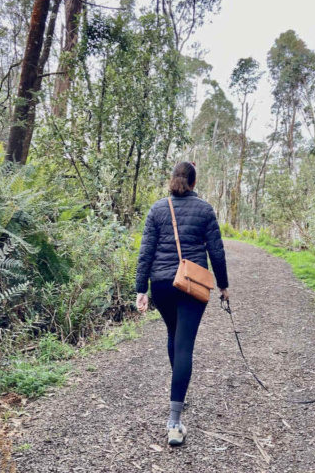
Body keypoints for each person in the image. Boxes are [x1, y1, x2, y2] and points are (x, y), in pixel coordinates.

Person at [135, 161, 229, 446]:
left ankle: (179, 392)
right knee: (184, 343)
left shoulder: (157, 208)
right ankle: (174, 422)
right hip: (191, 285)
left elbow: (146, 251)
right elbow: (216, 251)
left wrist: (141, 289)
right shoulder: (204, 209)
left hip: (162, 285)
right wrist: (223, 285)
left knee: (174, 336)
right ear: (194, 182)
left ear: (173, 179)